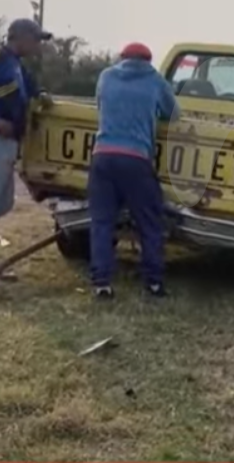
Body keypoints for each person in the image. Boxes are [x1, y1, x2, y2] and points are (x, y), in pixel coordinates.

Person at [87, 42, 180, 300]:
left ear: (122, 58)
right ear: (148, 61)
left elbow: (99, 106)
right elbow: (175, 114)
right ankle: (153, 283)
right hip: (136, 158)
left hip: (102, 156)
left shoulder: (106, 76)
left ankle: (102, 283)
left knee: (102, 222)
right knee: (149, 222)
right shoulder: (155, 80)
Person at [0, 19, 51, 277]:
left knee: (3, 203)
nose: (38, 46)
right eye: (36, 39)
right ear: (21, 37)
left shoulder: (16, 65)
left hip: (8, 142)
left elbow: (29, 85)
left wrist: (41, 93)